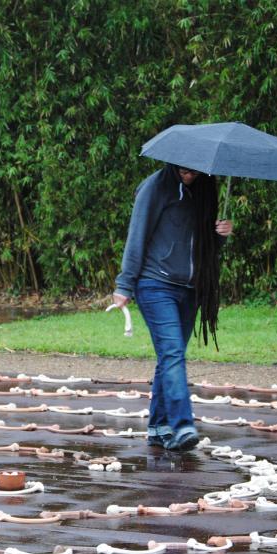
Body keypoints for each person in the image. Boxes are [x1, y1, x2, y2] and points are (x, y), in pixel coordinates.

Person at [112, 164, 233, 451]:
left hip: (191, 288)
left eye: (194, 170)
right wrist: (124, 284)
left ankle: (159, 427)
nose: (188, 174)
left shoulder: (203, 191)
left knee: (169, 357)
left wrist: (220, 235)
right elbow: (136, 235)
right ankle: (182, 425)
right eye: (183, 170)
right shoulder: (155, 187)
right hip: (155, 283)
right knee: (173, 353)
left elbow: (203, 247)